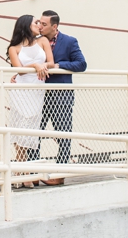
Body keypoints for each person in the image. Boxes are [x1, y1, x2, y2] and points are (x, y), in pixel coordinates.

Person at [36, 10, 87, 185]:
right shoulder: (35, 41)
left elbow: (81, 64)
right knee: (34, 133)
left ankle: (60, 173)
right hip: (38, 95)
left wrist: (58, 65)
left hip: (61, 95)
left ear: (54, 26)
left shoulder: (70, 41)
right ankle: (35, 172)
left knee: (64, 134)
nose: (40, 26)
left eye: (44, 24)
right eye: (39, 23)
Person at [6, 14, 54, 188]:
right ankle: (24, 172)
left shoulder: (42, 42)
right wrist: (35, 66)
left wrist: (42, 66)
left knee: (31, 127)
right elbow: (19, 70)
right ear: (26, 25)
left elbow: (51, 63)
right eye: (36, 23)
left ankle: (20, 170)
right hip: (21, 89)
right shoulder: (14, 48)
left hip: (37, 89)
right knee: (20, 127)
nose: (39, 25)